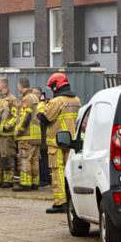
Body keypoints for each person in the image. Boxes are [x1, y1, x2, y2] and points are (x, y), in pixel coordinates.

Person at [38, 72, 82, 214]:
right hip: (71, 142)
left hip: (56, 142)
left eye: (52, 87)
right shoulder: (77, 100)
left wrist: (41, 104)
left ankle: (60, 202)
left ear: (57, 86)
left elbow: (44, 117)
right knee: (70, 172)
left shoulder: (57, 102)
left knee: (57, 170)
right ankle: (71, 201)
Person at [12, 77, 43, 192]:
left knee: (24, 160)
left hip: (26, 136)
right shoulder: (35, 97)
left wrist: (18, 132)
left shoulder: (26, 99)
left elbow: (25, 118)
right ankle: (35, 183)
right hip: (37, 135)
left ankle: (25, 184)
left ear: (20, 86)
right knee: (35, 160)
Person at [0, 78, 18, 188]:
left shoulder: (12, 99)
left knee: (7, 157)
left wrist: (8, 127)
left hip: (6, 135)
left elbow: (16, 116)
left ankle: (8, 179)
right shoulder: (0, 99)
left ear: (2, 86)